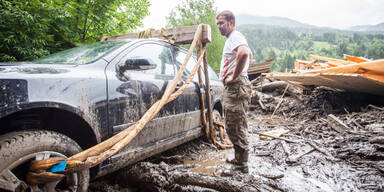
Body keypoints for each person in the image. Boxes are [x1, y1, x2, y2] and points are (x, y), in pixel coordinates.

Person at [216, 10, 252, 173]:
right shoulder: (232, 39)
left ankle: (242, 164)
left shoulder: (235, 36)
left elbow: (244, 53)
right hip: (235, 87)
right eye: (217, 24)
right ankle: (239, 158)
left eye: (221, 23)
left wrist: (234, 76)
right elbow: (249, 55)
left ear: (231, 22)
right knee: (233, 123)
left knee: (235, 124)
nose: (219, 27)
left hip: (236, 86)